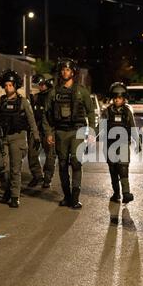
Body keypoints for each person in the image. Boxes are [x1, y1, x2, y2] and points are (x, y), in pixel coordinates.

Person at [43, 58, 96, 209]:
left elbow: (91, 112)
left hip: (77, 131)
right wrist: (48, 133)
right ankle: (66, 196)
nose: (65, 72)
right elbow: (47, 115)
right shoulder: (54, 92)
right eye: (63, 69)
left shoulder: (81, 91)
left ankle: (75, 196)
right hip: (60, 132)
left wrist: (92, 132)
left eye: (67, 69)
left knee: (76, 162)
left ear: (73, 72)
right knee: (62, 163)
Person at [0, 70, 40, 208]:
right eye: (6, 85)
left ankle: (14, 196)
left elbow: (31, 120)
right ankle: (8, 189)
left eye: (10, 85)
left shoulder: (23, 102)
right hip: (3, 138)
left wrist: (36, 136)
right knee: (0, 166)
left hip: (18, 138)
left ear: (15, 86)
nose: (8, 87)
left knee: (15, 169)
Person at [101, 82, 140, 204]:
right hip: (110, 145)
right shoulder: (107, 111)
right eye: (116, 98)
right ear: (112, 98)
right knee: (113, 170)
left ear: (124, 98)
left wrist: (137, 142)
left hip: (123, 145)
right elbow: (101, 126)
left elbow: (133, 127)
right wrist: (92, 136)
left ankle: (126, 193)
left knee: (123, 169)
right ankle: (116, 193)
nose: (117, 100)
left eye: (120, 98)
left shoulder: (127, 112)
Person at [27, 74, 56, 189]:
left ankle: (47, 178)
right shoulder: (35, 98)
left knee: (50, 155)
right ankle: (37, 176)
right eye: (39, 84)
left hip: (49, 129)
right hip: (36, 129)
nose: (40, 86)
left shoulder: (54, 97)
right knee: (32, 153)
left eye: (42, 84)